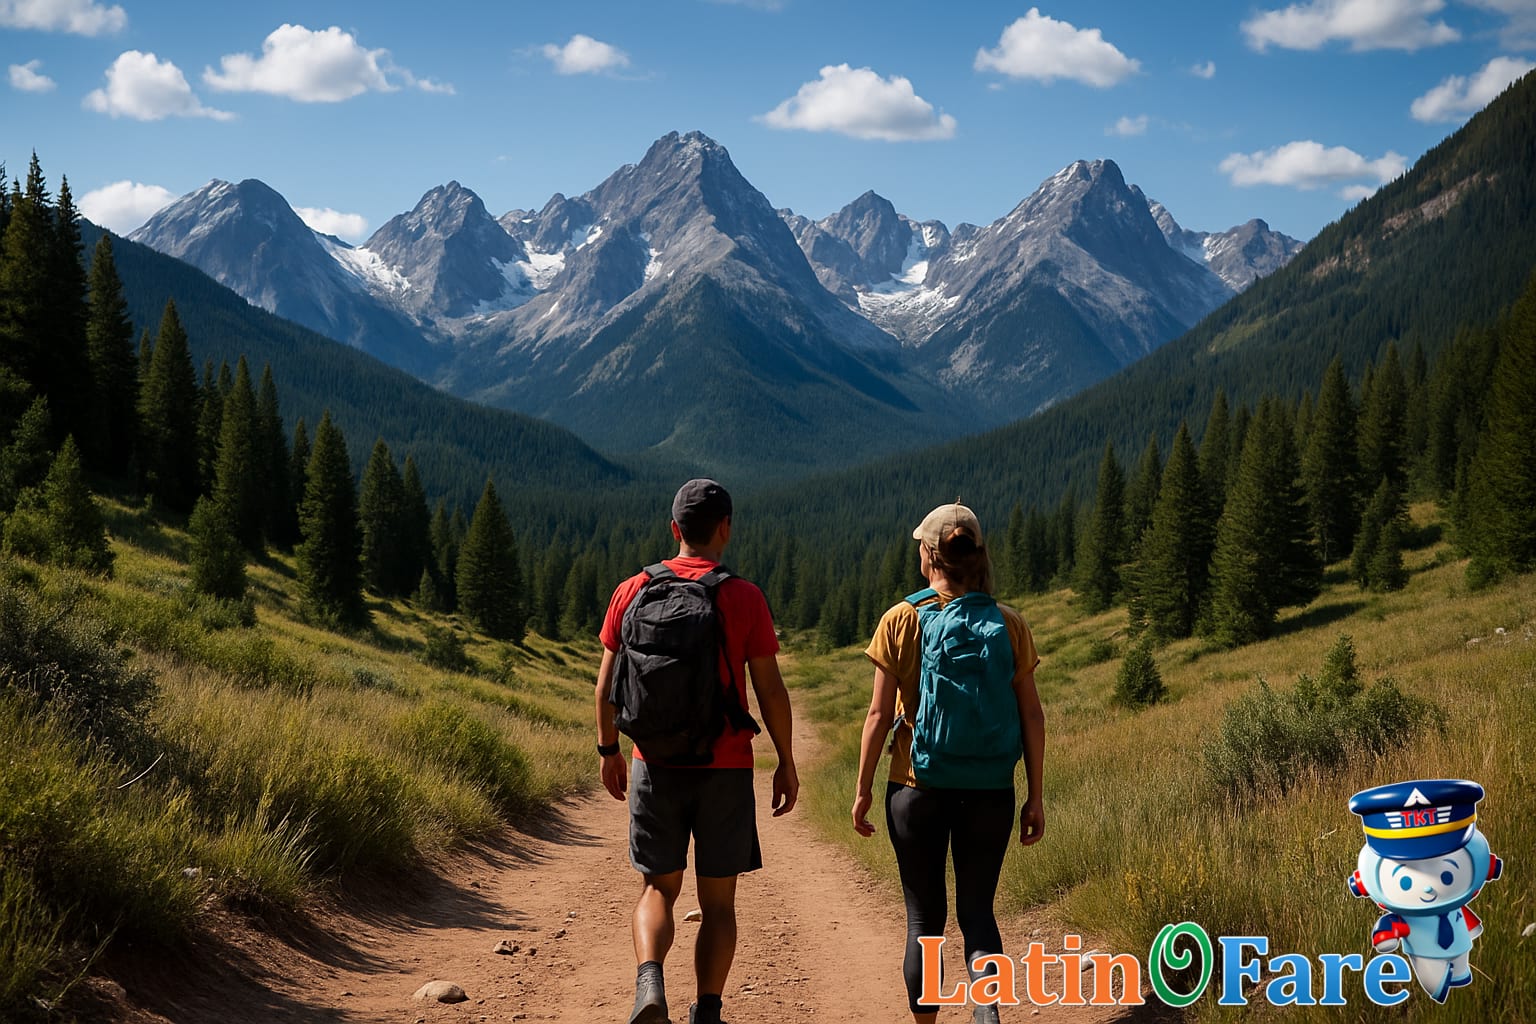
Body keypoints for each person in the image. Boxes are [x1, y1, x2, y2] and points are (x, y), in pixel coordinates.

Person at [595, 478, 799, 1024]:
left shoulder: (632, 589)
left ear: (675, 529)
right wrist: (785, 759)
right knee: (717, 904)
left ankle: (649, 984)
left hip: (653, 764)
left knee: (657, 888)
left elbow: (605, 688)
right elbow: (771, 691)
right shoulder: (744, 596)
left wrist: (609, 749)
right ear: (726, 529)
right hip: (726, 769)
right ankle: (708, 1010)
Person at [851, 502, 1046, 1024]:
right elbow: (1032, 714)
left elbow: (876, 716)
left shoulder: (901, 618)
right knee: (978, 915)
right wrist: (1035, 795)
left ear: (931, 556)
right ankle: (987, 1015)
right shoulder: (1008, 624)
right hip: (990, 790)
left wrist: (864, 788)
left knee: (924, 920)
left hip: (916, 787)